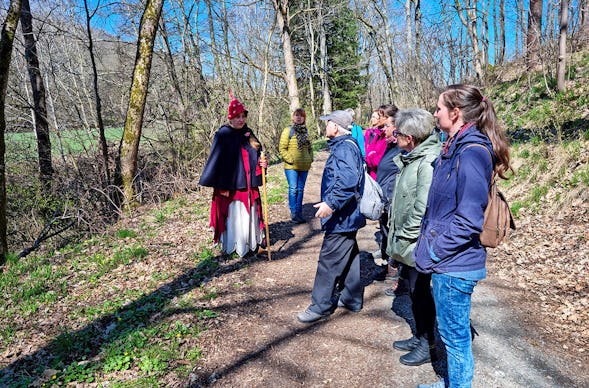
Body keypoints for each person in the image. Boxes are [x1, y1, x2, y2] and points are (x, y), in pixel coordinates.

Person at [414, 84, 512, 388]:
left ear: (455, 113)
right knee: (451, 332)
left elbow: (469, 220)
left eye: (439, 108)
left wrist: (433, 251)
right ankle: (451, 383)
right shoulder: (453, 146)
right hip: (449, 262)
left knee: (455, 339)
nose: (434, 113)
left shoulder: (471, 153)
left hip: (455, 265)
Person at [297, 110, 366, 323]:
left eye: (328, 123)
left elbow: (347, 181)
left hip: (342, 216)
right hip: (348, 215)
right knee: (350, 254)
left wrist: (331, 203)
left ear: (335, 127)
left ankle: (320, 306)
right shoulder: (347, 145)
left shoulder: (344, 148)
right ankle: (351, 298)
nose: (326, 126)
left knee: (328, 260)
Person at [385, 108, 441, 367]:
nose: (393, 137)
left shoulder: (427, 161)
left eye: (397, 133)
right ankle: (419, 336)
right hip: (408, 242)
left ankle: (428, 344)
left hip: (416, 243)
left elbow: (422, 208)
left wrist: (405, 237)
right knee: (415, 292)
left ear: (410, 138)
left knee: (421, 293)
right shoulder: (412, 157)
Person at [199, 94, 268, 258]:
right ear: (231, 117)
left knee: (250, 214)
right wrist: (221, 185)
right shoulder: (223, 135)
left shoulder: (249, 134)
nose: (241, 120)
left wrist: (263, 164)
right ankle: (235, 246)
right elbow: (216, 161)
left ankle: (252, 243)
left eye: (243, 116)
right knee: (235, 216)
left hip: (249, 186)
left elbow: (259, 155)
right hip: (231, 188)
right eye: (238, 116)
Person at [279, 108, 314, 224]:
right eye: (296, 115)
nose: (299, 118)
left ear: (304, 118)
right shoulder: (288, 130)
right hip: (291, 167)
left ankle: (299, 213)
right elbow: (282, 148)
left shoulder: (306, 132)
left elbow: (310, 148)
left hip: (304, 166)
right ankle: (294, 213)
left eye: (301, 116)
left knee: (300, 189)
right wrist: (290, 159)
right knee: (293, 189)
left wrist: (310, 159)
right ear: (293, 117)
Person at [364, 105, 389, 179]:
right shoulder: (369, 131)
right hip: (369, 167)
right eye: (372, 117)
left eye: (375, 117)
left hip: (379, 174)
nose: (372, 119)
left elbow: (378, 160)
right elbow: (367, 148)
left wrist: (371, 155)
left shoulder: (383, 135)